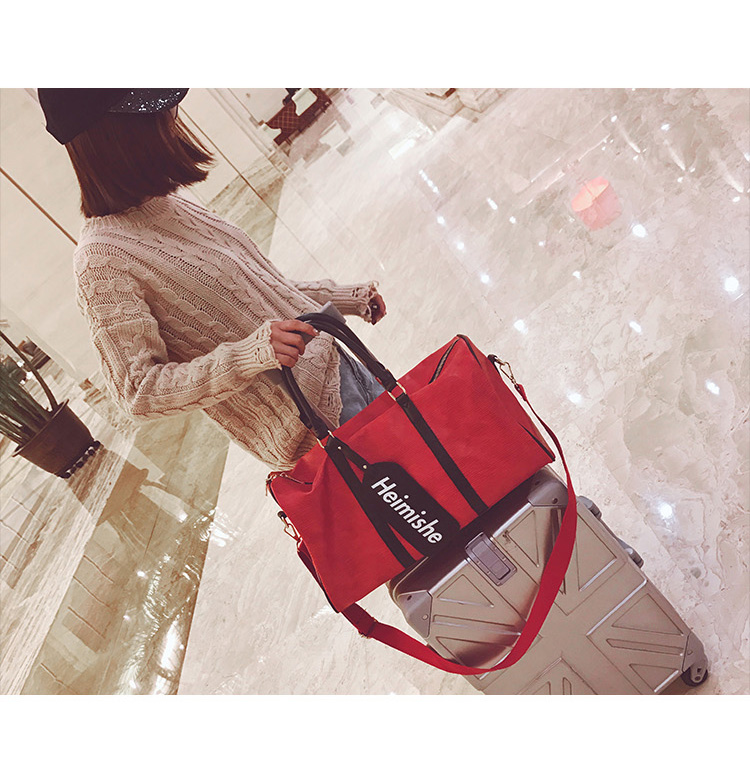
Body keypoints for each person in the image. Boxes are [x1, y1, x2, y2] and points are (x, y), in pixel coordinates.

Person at [37, 88, 387, 471]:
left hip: (341, 367)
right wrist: (247, 356)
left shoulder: (167, 204)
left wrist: (345, 297)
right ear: (115, 136)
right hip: (311, 424)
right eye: (155, 114)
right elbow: (137, 391)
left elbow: (257, 292)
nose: (171, 119)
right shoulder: (101, 259)